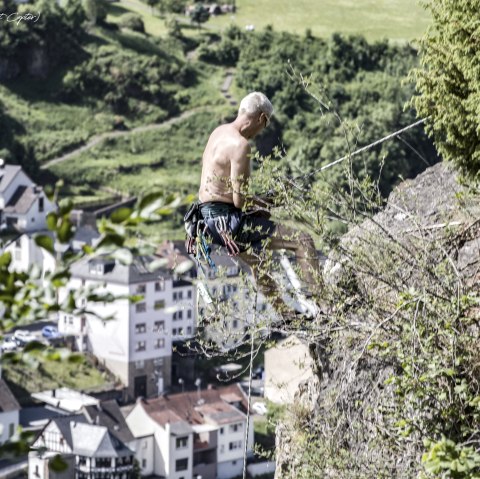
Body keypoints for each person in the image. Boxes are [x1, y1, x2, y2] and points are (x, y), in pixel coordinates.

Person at [198, 91, 321, 317]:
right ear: (261, 118)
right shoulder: (240, 146)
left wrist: (265, 202)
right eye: (265, 124)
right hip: (229, 221)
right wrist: (272, 199)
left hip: (208, 221)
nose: (261, 130)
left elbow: (225, 194)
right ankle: (325, 306)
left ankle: (287, 317)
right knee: (302, 240)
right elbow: (240, 202)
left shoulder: (218, 133)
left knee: (258, 259)